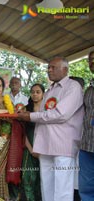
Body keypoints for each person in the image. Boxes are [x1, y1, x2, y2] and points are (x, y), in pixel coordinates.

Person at [18, 56, 84, 201]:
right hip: (46, 145)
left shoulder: (73, 87)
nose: (49, 70)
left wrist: (31, 116)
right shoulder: (49, 91)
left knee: (62, 189)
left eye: (53, 67)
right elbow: (43, 119)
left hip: (63, 146)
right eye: (48, 67)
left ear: (65, 69)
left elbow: (61, 114)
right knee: (46, 187)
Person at [20, 83, 45, 201]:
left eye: (38, 92)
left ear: (43, 94)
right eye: (33, 92)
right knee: (27, 177)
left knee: (42, 179)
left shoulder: (48, 111)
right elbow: (22, 132)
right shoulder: (25, 110)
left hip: (45, 150)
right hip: (29, 148)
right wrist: (31, 150)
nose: (35, 94)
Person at [79, 50, 94, 201]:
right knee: (86, 188)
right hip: (87, 145)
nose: (92, 62)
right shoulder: (89, 89)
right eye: (90, 60)